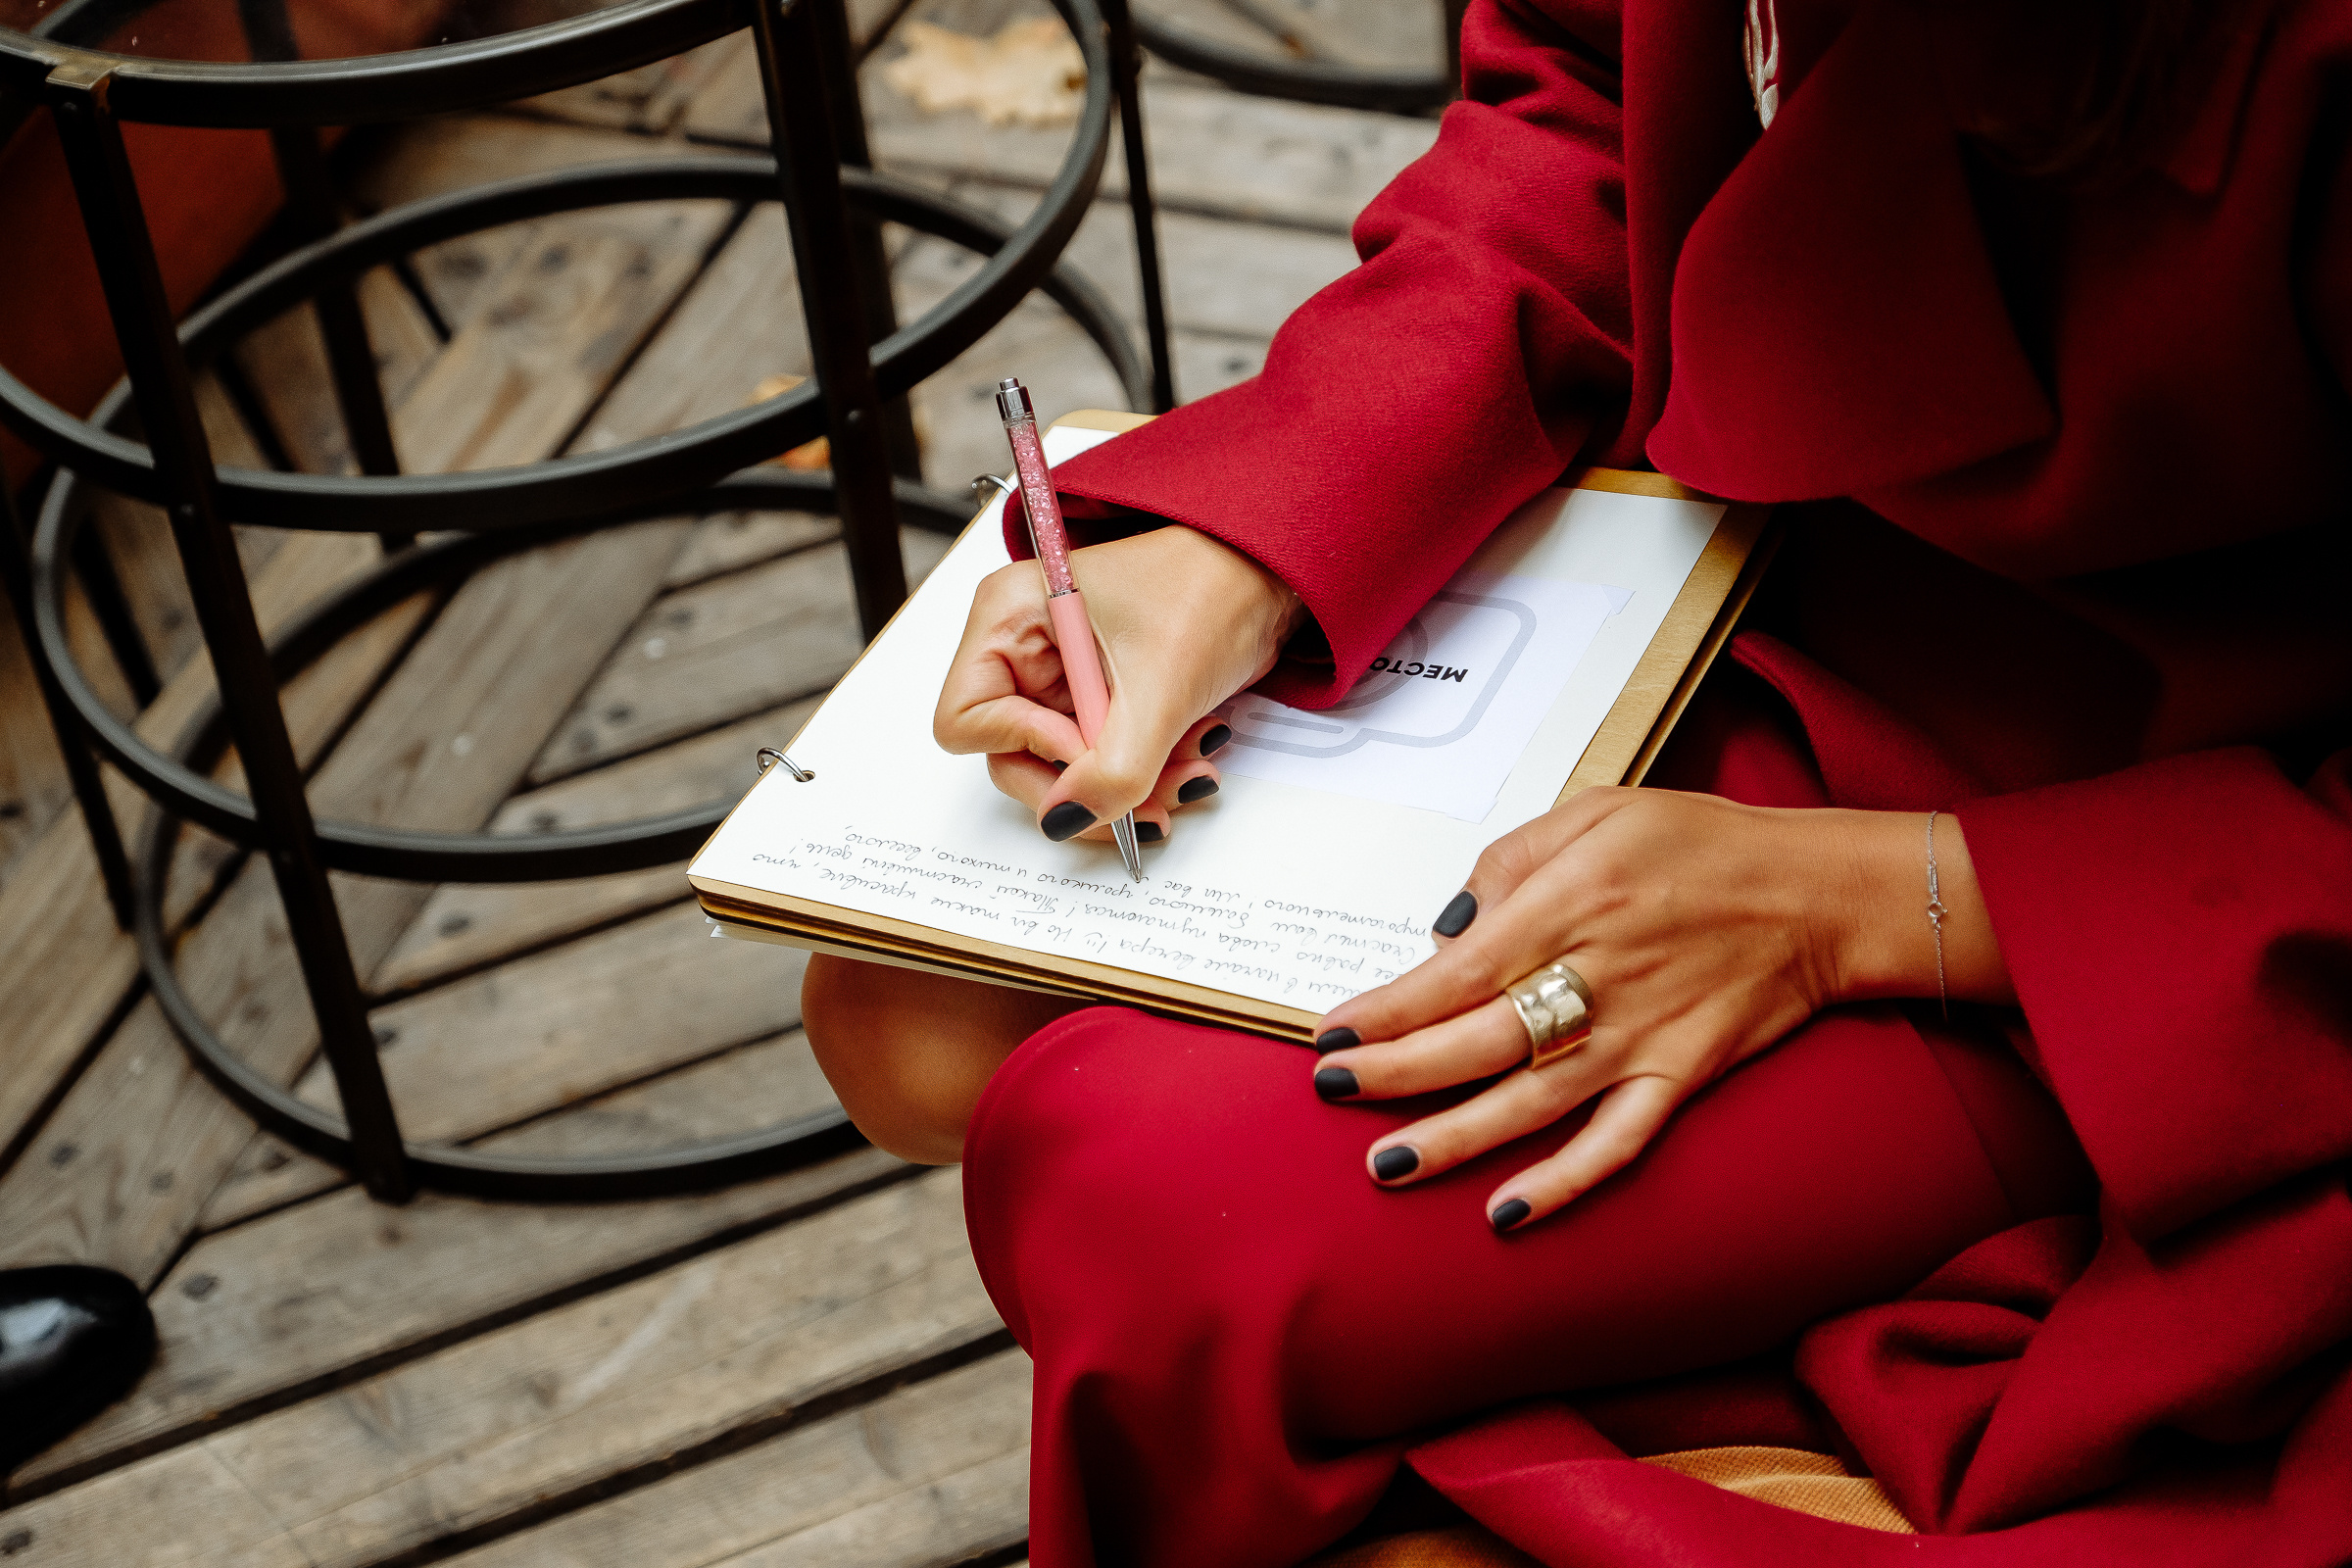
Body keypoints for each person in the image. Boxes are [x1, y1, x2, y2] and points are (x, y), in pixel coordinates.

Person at [801, 0, 2352, 1562]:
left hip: (2141, 875)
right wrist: (1258, 536)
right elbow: (1585, 110)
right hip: (1700, 597)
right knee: (903, 1002)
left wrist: (1875, 906)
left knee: (1142, 1201)